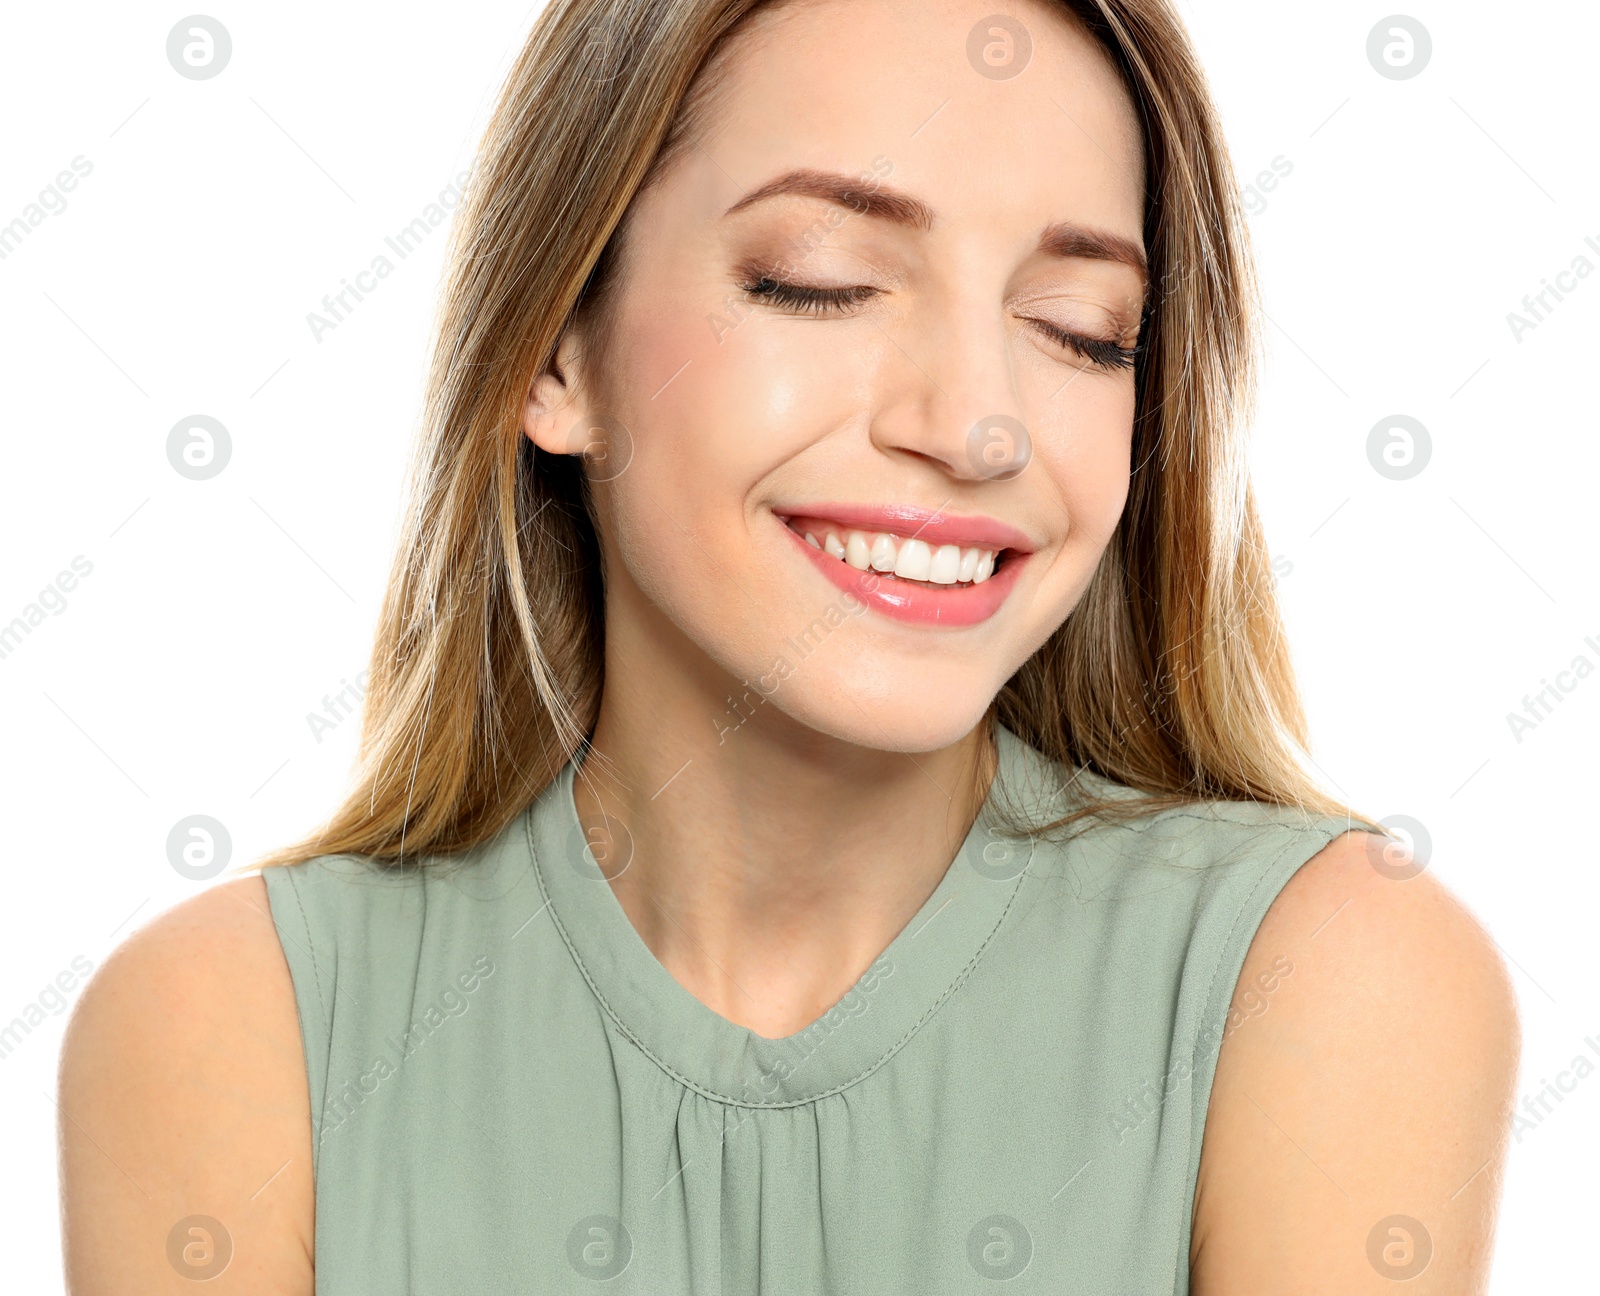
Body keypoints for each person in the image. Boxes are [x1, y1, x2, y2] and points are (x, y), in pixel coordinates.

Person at [59, 0, 1519, 1291]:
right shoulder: (226, 1030)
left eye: (1083, 329)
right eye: (819, 280)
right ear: (555, 352)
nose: (974, 423)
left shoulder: (1322, 980)